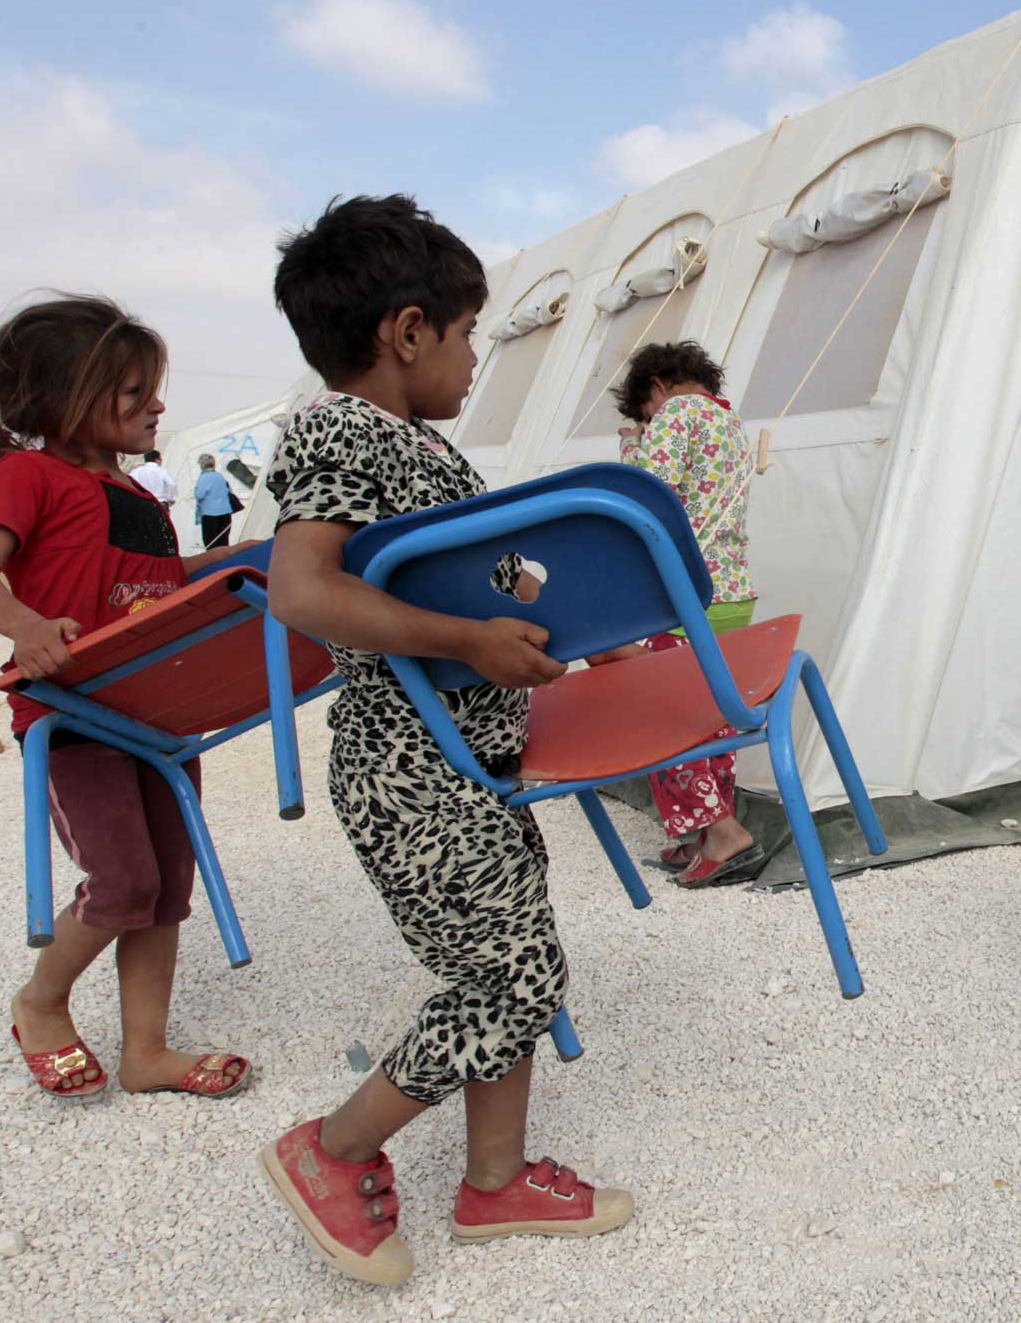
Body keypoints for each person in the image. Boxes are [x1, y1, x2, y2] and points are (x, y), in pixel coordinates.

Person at [259, 195, 631, 1288]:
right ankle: (330, 1150)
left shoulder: (413, 448)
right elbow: (301, 587)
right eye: (468, 333)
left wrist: (577, 626)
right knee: (511, 981)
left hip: (468, 770)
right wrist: (465, 635)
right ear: (406, 331)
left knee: (511, 959)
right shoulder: (339, 431)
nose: (475, 357)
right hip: (408, 773)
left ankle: (495, 1180)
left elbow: (473, 585)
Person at [0, 296, 258, 1101]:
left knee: (167, 886)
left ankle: (146, 1050)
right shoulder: (28, 476)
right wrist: (21, 625)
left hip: (158, 717)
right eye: (133, 391)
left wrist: (248, 558)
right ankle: (41, 1000)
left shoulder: (144, 499)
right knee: (120, 880)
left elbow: (162, 587)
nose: (156, 404)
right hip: (74, 716)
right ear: (66, 399)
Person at [593, 340, 762, 888]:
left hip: (684, 594)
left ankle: (723, 832)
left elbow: (645, 496)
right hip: (731, 590)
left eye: (644, 410)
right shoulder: (728, 423)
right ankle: (697, 836)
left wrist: (630, 449)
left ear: (658, 385)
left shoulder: (676, 413)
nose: (647, 421)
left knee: (667, 721)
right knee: (708, 719)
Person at [193, 453, 236, 547]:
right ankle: (225, 561)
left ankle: (214, 561)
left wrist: (195, 489)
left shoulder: (204, 477)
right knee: (223, 542)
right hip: (225, 512)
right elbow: (230, 491)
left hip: (210, 514)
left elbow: (199, 495)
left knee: (211, 543)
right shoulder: (220, 476)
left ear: (202, 464)